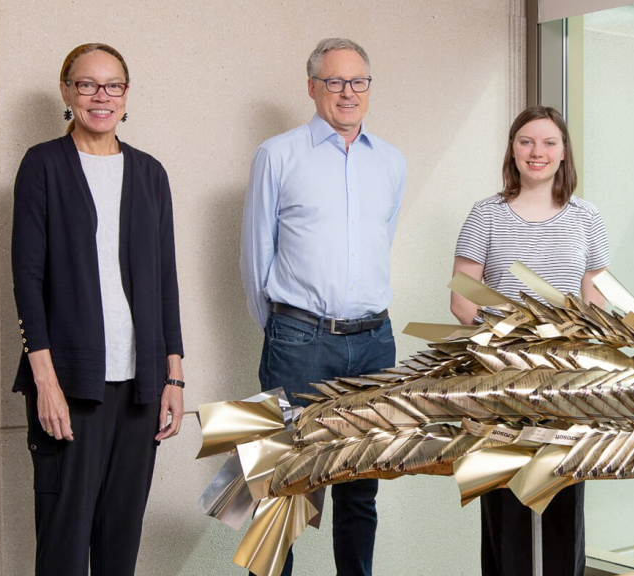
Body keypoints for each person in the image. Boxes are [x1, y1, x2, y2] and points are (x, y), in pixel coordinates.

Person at [11, 43, 185, 576]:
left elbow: (165, 280)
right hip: (70, 386)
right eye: (87, 84)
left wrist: (173, 376)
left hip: (140, 389)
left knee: (119, 547)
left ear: (127, 95)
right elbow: (27, 278)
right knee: (63, 550)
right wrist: (46, 382)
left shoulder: (150, 174)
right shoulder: (43, 165)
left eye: (112, 85)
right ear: (67, 92)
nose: (100, 96)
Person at [240, 37, 406, 576]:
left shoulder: (391, 163)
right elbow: (253, 257)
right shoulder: (277, 154)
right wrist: (286, 330)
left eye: (358, 81)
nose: (347, 92)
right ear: (312, 87)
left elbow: (382, 240)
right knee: (282, 482)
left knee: (360, 491)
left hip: (375, 344)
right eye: (334, 81)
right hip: (298, 342)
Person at [451, 105, 610, 576]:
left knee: (563, 502)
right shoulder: (486, 214)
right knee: (506, 507)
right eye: (526, 141)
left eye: (548, 142)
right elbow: (462, 299)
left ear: (563, 154)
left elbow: (595, 298)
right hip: (499, 379)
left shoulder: (587, 217)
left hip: (566, 382)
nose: (537, 152)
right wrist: (509, 340)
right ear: (513, 151)